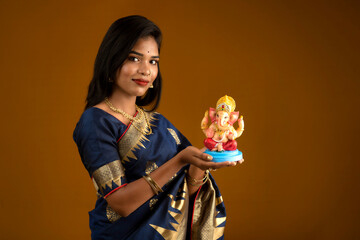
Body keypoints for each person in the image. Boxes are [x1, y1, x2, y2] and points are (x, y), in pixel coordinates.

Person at [73, 15, 240, 240]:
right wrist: (181, 160)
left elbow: (185, 192)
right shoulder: (95, 121)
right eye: (134, 58)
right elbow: (120, 202)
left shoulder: (158, 123)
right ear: (111, 62)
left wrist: (203, 162)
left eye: (153, 61)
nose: (146, 70)